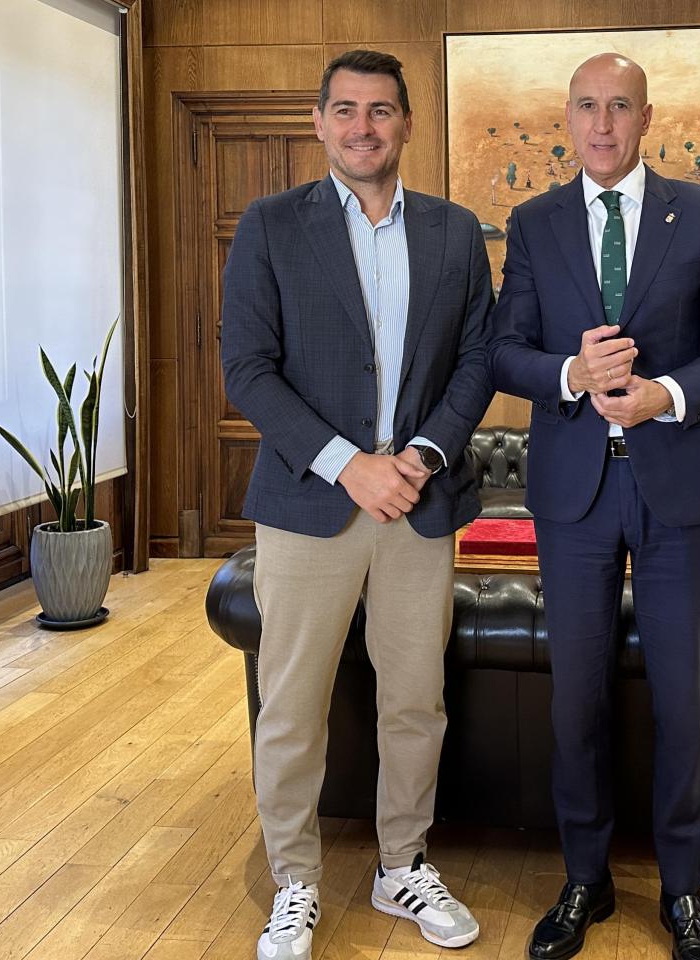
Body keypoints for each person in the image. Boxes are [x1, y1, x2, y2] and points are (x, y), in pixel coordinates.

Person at [489, 53, 700, 960]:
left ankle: (684, 891)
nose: (602, 124)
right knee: (577, 699)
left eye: (619, 107)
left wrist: (667, 396)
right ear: (565, 118)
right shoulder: (534, 223)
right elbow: (504, 353)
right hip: (574, 494)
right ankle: (585, 879)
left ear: (648, 117)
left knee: (684, 701)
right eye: (586, 107)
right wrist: (570, 373)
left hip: (677, 489)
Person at [220, 49, 494, 960]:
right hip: (309, 506)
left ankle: (401, 863)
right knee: (291, 704)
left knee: (416, 700)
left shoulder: (456, 234)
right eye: (345, 110)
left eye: (381, 111)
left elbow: (477, 363)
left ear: (407, 124)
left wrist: (417, 455)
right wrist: (349, 465)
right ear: (319, 121)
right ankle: (295, 881)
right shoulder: (269, 226)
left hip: (417, 502)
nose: (363, 127)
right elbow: (248, 371)